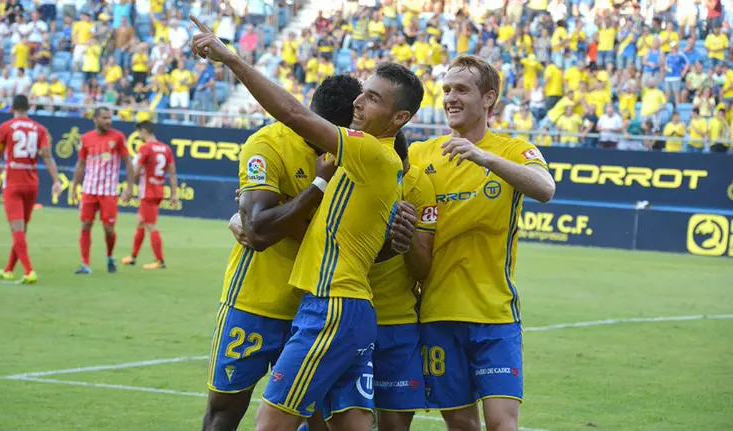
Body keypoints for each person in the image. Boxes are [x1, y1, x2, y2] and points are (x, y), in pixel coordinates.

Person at [189, 16, 422, 431]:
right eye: (361, 96)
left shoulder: (366, 153)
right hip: (297, 302)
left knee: (274, 423)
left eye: (371, 99)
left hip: (329, 305)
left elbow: (294, 113)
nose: (359, 105)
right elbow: (265, 229)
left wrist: (231, 60)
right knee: (345, 424)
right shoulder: (281, 146)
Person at [202, 75, 362, 431]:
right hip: (255, 302)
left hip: (318, 309)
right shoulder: (267, 144)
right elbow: (258, 231)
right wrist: (319, 185)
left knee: (320, 420)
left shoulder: (356, 152)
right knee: (224, 410)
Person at [408, 55, 555, 431]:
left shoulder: (512, 150)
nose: (450, 98)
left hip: (495, 315)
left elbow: (545, 188)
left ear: (488, 98)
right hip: (437, 313)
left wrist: (484, 157)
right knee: (460, 424)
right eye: (446, 90)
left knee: (502, 424)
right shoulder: (421, 154)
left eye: (461, 90)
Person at [368, 130, 436, 431]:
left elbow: (422, 269)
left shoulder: (418, 183)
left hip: (397, 322)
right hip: (345, 316)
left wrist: (406, 240)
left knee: (395, 424)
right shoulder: (348, 173)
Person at [0, 94, 62, 284]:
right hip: (32, 183)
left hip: (13, 182)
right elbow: (47, 156)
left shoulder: (5, 127)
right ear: (29, 107)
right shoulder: (40, 129)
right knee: (21, 230)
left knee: (17, 229)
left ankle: (29, 270)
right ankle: (8, 269)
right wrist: (56, 180)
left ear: (12, 107)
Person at [70, 107, 135, 274]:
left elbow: (128, 162)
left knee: (108, 228)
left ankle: (110, 256)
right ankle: (85, 264)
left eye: (110, 118)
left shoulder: (118, 137)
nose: (108, 121)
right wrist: (74, 186)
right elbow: (81, 164)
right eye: (105, 118)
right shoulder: (86, 138)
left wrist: (129, 187)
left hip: (109, 191)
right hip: (89, 189)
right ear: (95, 119)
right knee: (85, 224)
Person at [121, 121, 178, 269]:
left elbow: (137, 168)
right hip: (159, 190)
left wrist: (129, 189)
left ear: (144, 131)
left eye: (139, 132)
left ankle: (160, 260)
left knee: (151, 225)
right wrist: (174, 194)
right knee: (140, 221)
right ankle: (133, 257)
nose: (138, 136)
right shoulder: (166, 149)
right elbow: (172, 173)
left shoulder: (145, 148)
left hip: (148, 191)